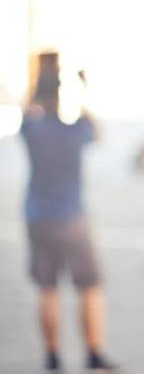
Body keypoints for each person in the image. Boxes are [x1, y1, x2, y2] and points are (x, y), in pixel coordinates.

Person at [19, 52, 118, 373]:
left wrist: (38, 79)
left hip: (38, 217)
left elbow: (26, 108)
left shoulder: (33, 129)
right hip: (73, 218)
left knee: (47, 289)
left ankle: (52, 356)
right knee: (89, 287)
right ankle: (93, 353)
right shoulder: (73, 131)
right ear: (60, 96)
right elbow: (96, 131)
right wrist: (83, 89)